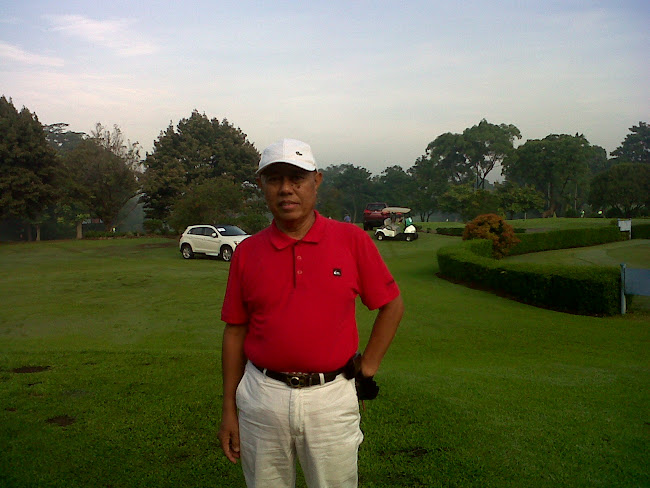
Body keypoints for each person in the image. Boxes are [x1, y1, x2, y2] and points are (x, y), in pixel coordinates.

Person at [218, 138, 404, 488]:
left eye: (297, 178)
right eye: (274, 179)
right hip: (262, 396)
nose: (286, 189)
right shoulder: (248, 252)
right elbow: (235, 330)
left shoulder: (351, 240)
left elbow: (392, 304)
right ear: (262, 185)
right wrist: (229, 407)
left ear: (316, 181)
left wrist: (367, 367)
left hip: (330, 397)